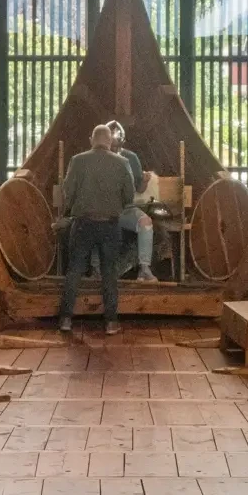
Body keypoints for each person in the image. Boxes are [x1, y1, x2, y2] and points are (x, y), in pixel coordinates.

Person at [58, 124, 134, 334]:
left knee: (75, 270)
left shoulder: (77, 160)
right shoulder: (123, 163)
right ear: (110, 141)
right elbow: (129, 196)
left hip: (83, 223)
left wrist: (72, 210)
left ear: (92, 139)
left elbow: (68, 191)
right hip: (110, 224)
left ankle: (66, 319)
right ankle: (110, 322)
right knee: (110, 272)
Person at [108, 120, 156, 282]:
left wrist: (145, 181)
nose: (114, 149)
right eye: (110, 145)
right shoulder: (97, 158)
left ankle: (144, 268)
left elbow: (139, 188)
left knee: (145, 222)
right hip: (103, 208)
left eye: (116, 146)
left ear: (122, 142)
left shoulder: (131, 158)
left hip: (126, 209)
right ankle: (96, 269)